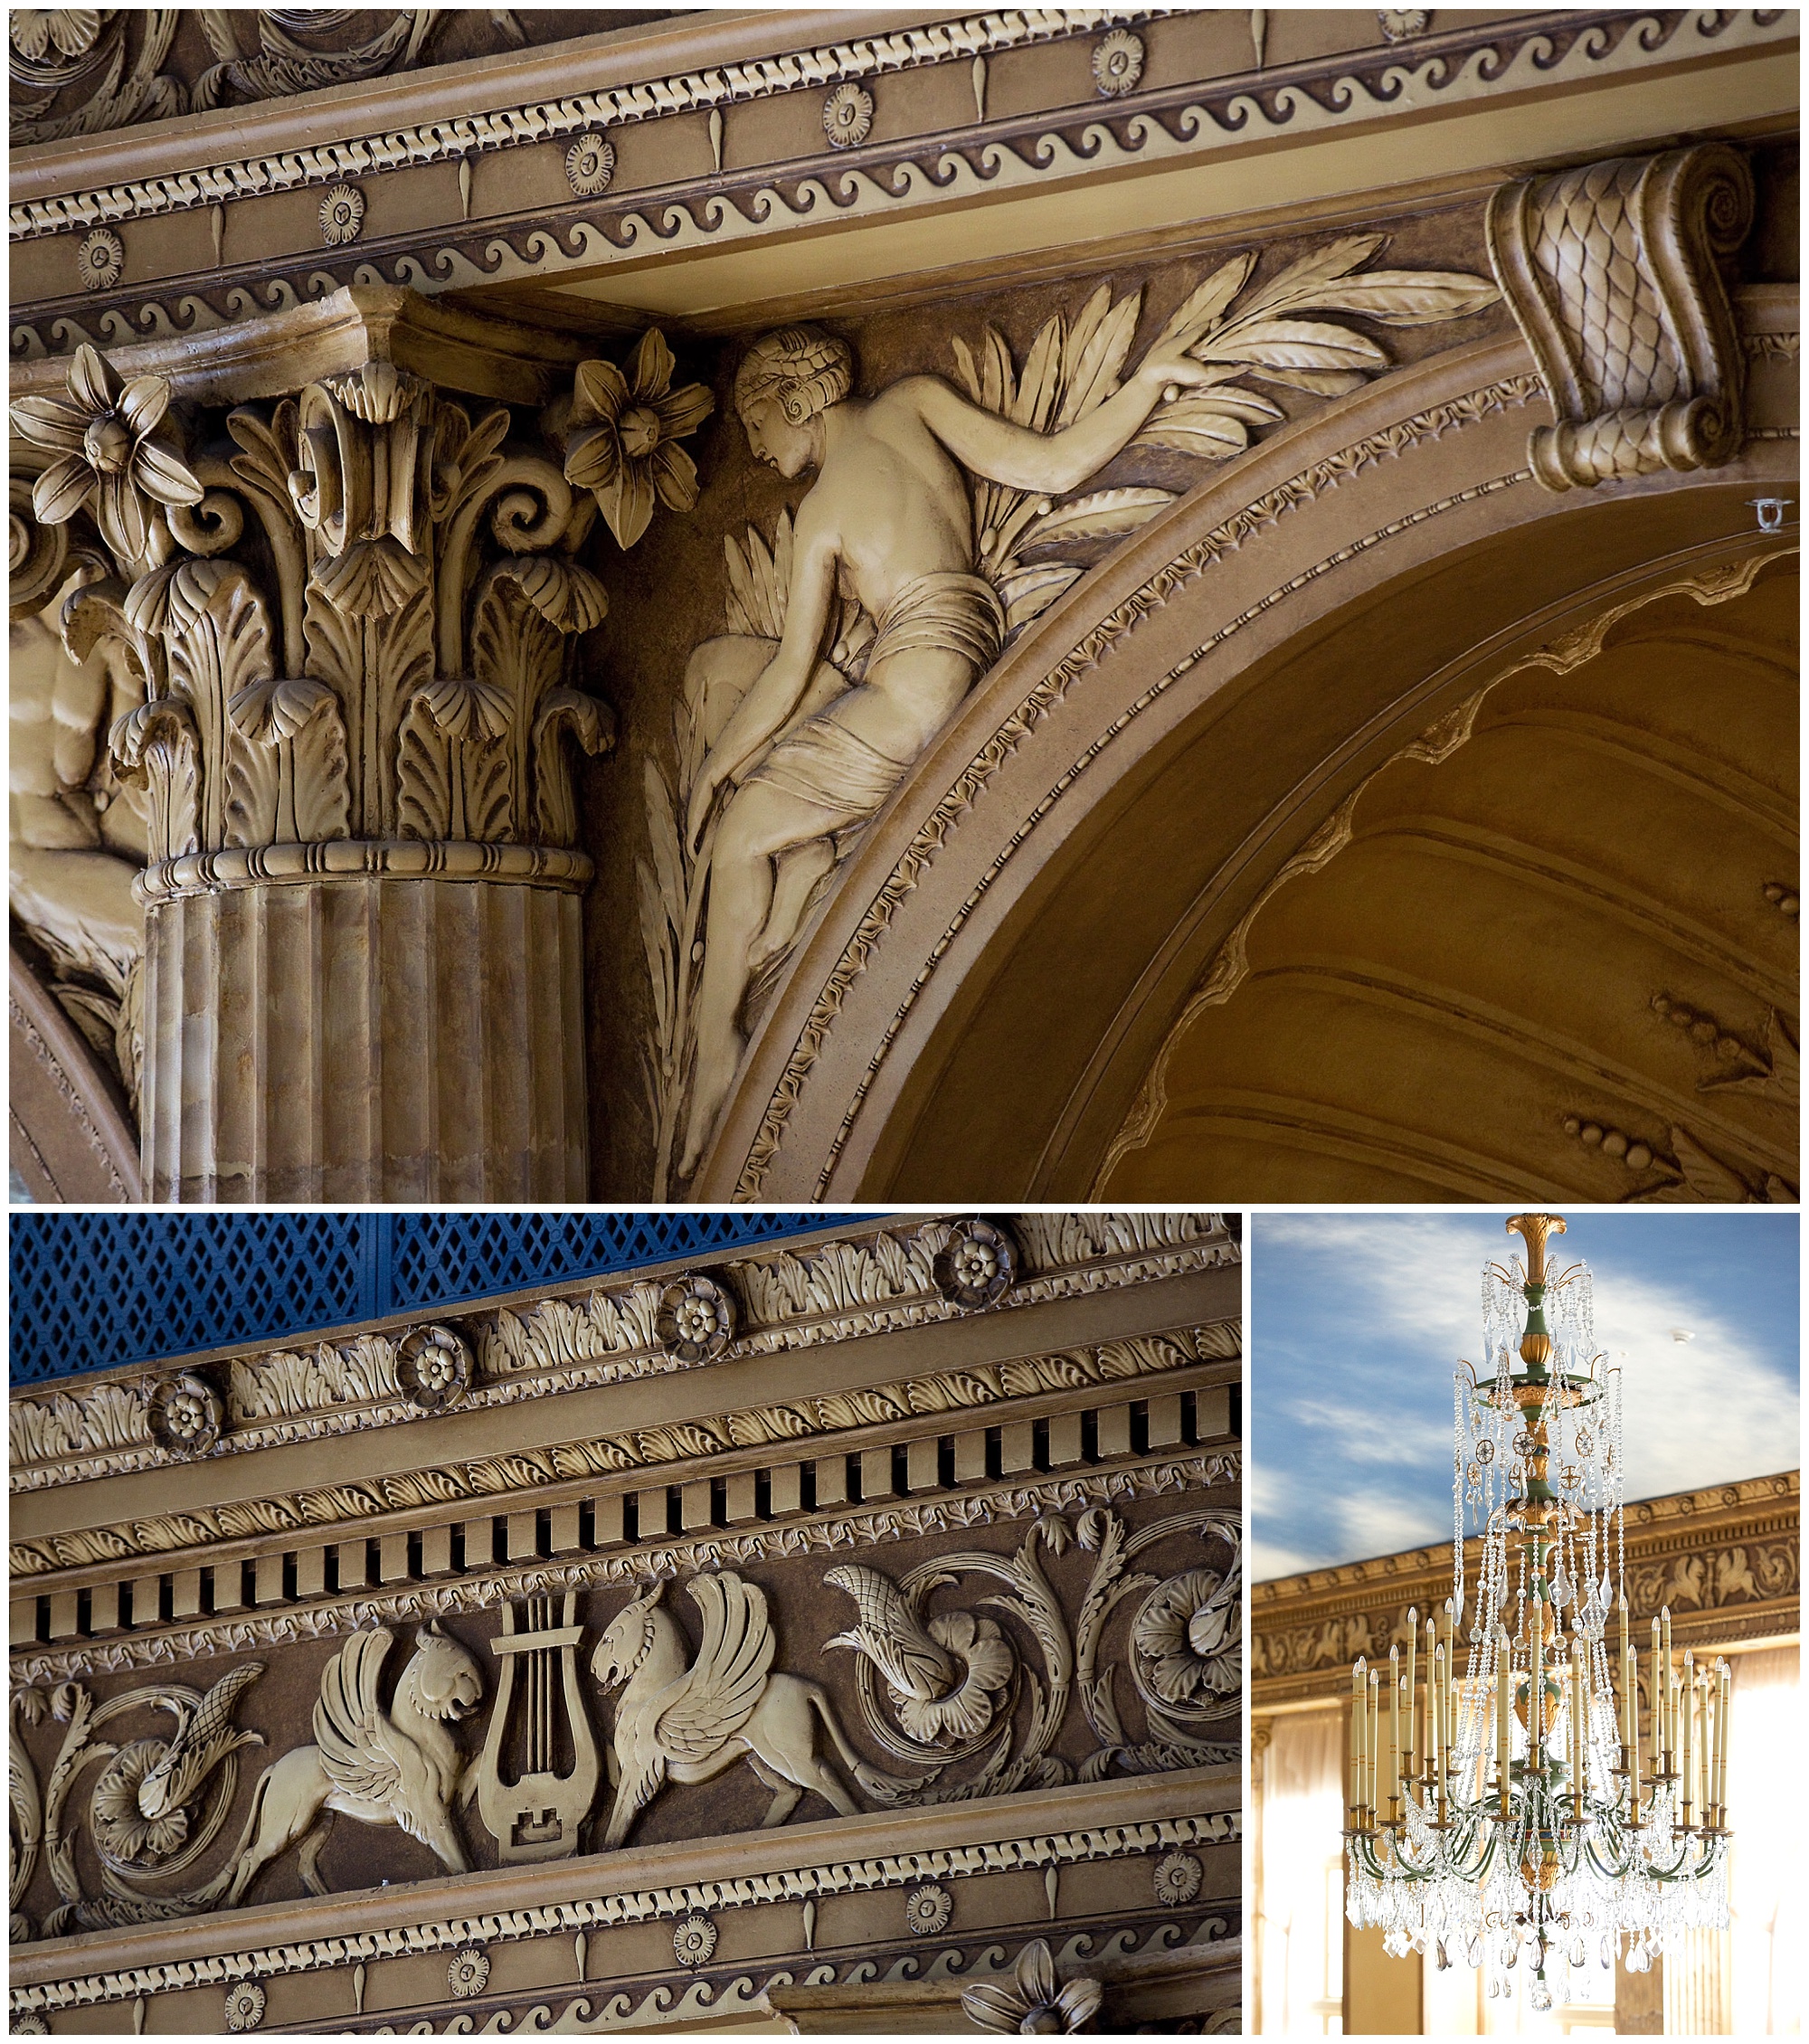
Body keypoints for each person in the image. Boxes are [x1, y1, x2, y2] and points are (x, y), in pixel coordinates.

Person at [677, 321, 1217, 1178]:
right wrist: (1145, 383)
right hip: (934, 671)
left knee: (742, 828)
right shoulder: (915, 404)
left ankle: (715, 1050)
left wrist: (714, 774)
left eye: (755, 425)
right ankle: (803, 877)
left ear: (791, 401)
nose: (754, 446)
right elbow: (1051, 466)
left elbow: (791, 669)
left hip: (903, 696)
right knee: (727, 688)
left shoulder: (821, 514)